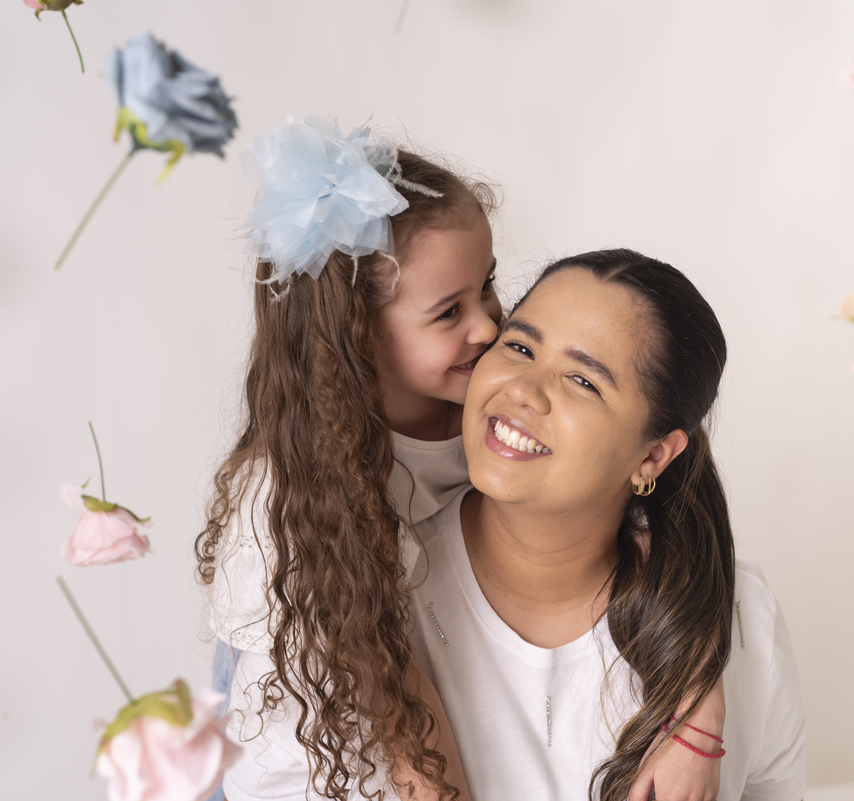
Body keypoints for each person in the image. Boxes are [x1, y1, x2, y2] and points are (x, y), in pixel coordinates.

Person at [198, 120, 731, 800]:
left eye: (487, 286)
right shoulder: (290, 495)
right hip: (300, 687)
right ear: (357, 337)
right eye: (448, 312)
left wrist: (698, 706)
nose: (488, 326)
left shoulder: (489, 402)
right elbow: (396, 704)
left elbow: (678, 520)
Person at [408, 249, 807, 801]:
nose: (522, 390)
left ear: (653, 456)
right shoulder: (375, 591)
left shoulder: (742, 622)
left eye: (583, 380)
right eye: (519, 347)